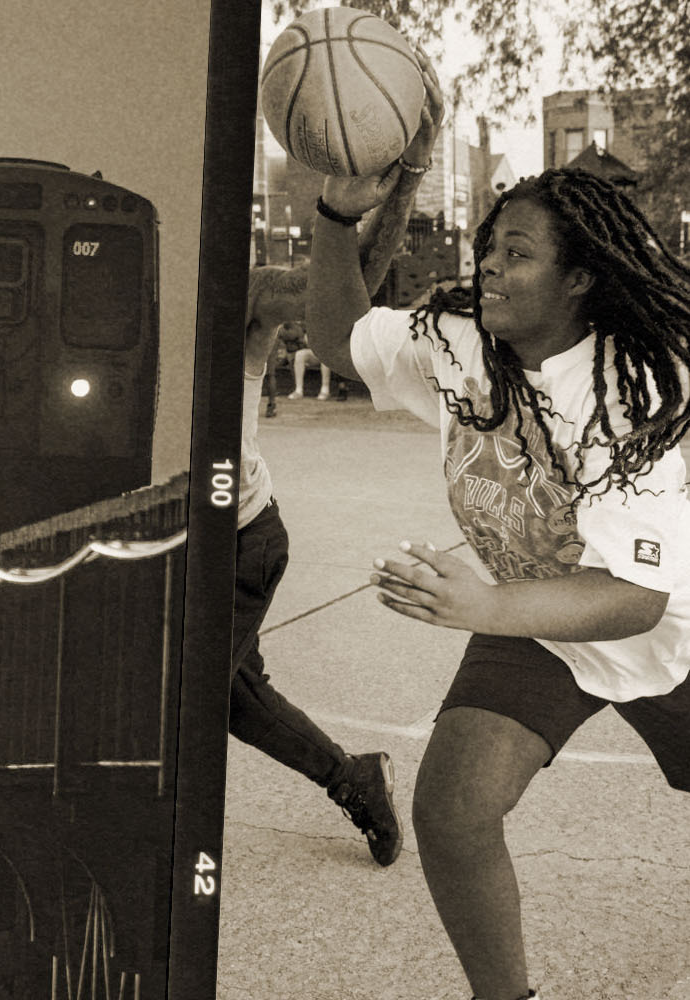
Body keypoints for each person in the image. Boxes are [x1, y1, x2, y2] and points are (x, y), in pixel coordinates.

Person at [305, 90, 690, 1000]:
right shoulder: (458, 342)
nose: (488, 267)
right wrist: (333, 218)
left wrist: (483, 605)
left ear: (581, 277)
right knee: (452, 807)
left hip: (666, 631)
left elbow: (636, 597)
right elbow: (336, 340)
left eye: (517, 254)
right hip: (542, 621)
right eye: (488, 247)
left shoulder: (640, 391)